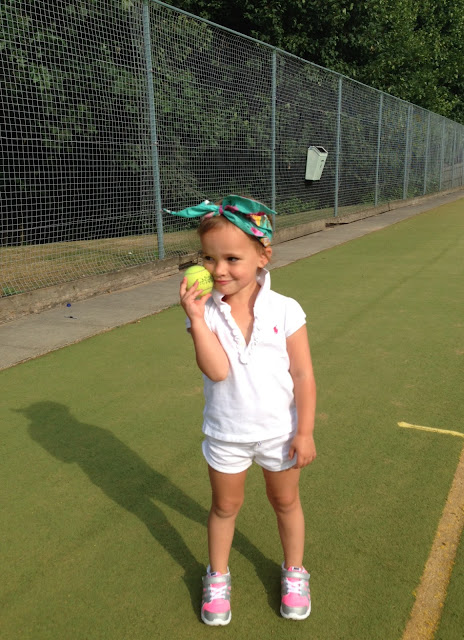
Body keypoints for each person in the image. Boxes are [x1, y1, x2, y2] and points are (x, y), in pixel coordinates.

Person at [170, 195, 316, 626]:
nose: (218, 270)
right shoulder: (205, 312)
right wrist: (197, 318)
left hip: (280, 432)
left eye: (232, 258)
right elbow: (217, 371)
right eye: (209, 258)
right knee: (224, 507)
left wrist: (304, 431)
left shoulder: (286, 309)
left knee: (285, 501)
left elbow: (303, 374)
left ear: (262, 256)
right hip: (226, 434)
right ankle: (217, 576)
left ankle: (295, 571)